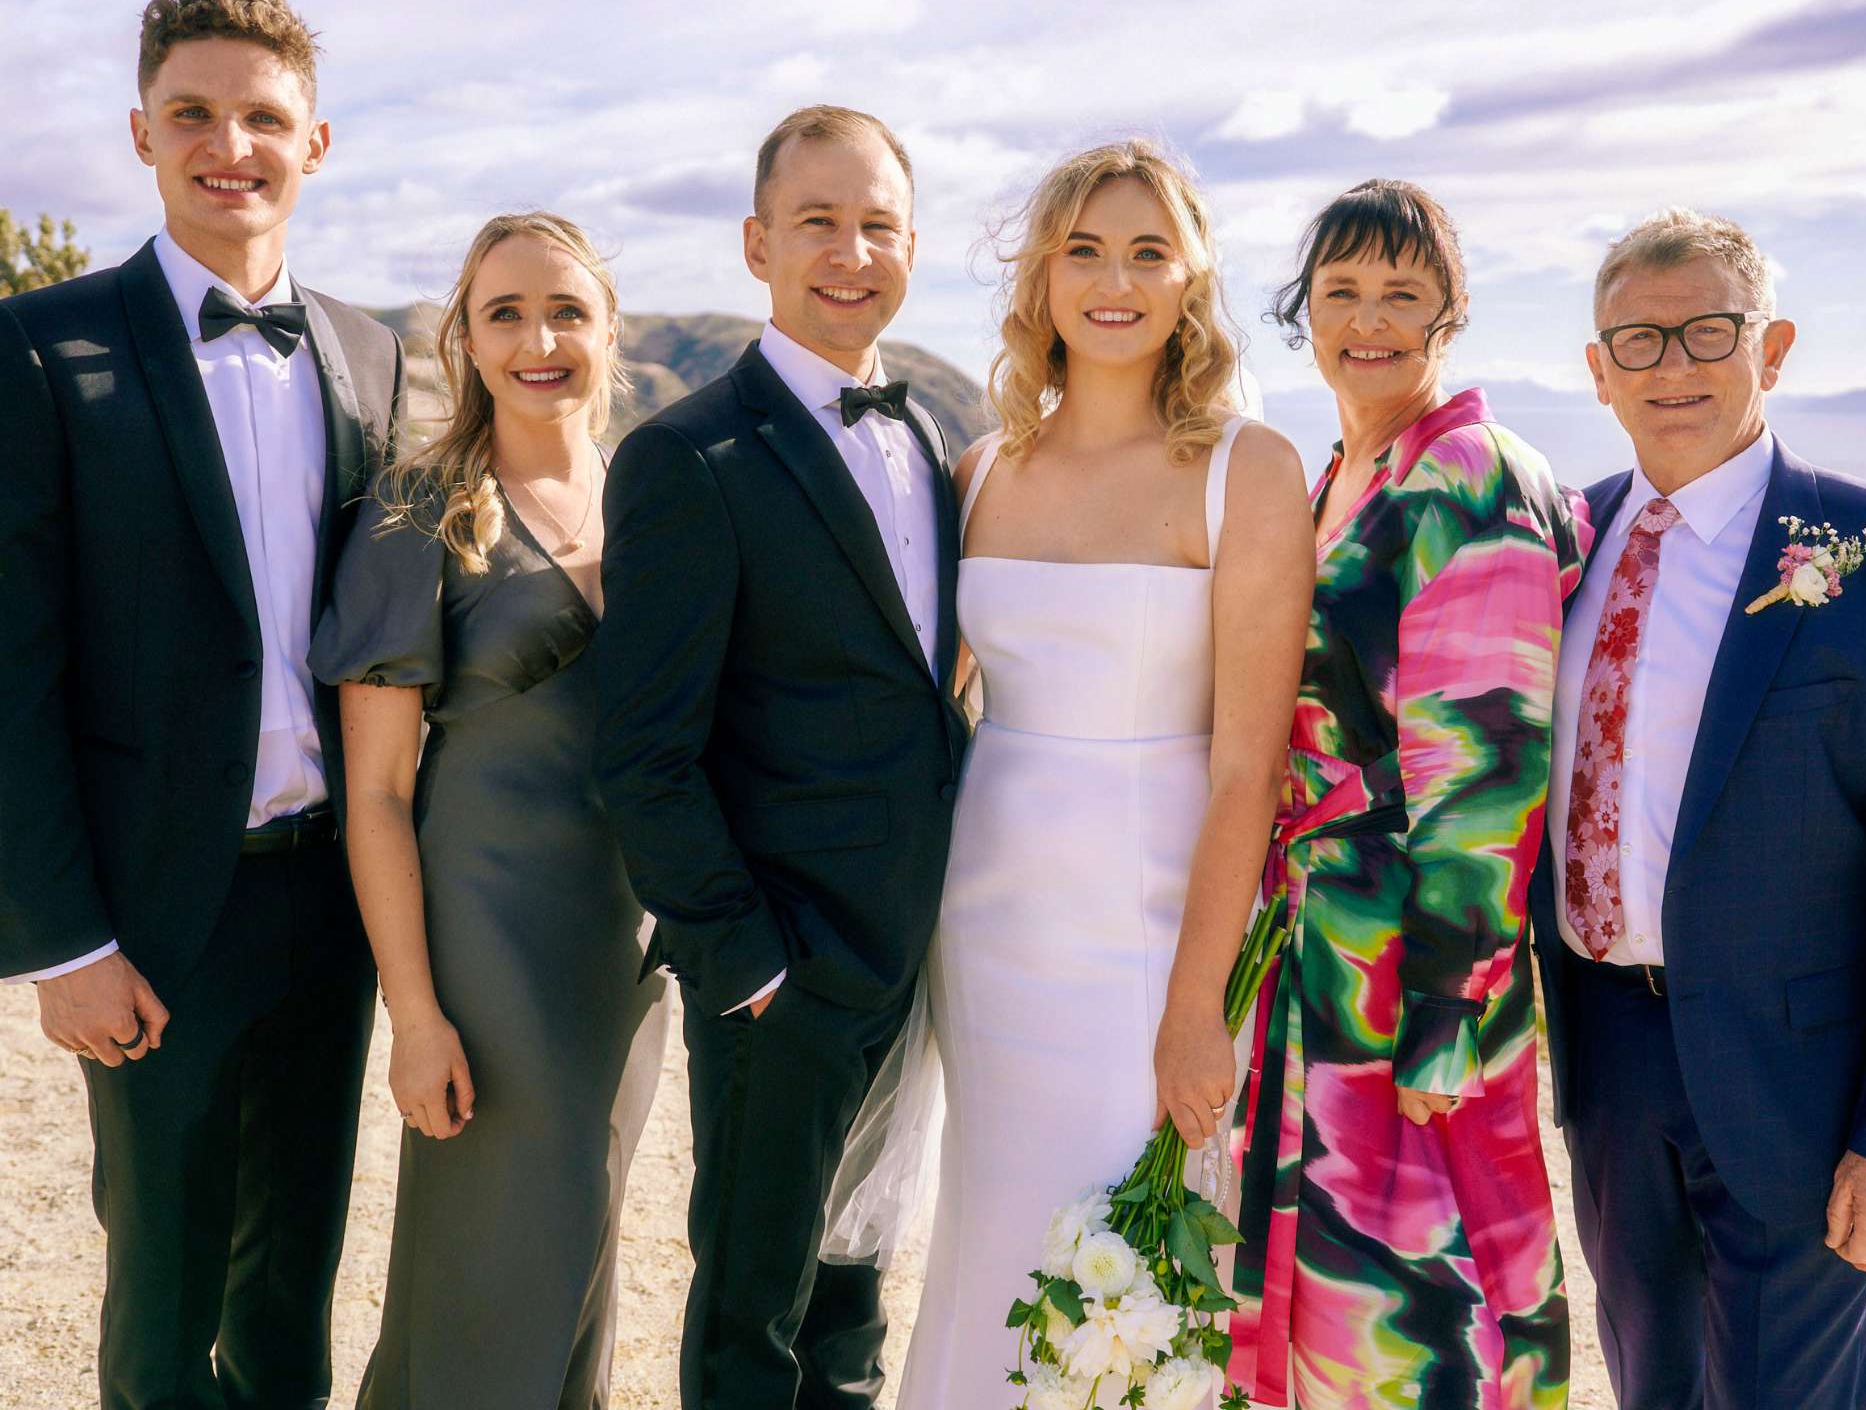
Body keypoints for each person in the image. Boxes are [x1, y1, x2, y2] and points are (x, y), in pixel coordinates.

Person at [0, 0, 406, 1407]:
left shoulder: (371, 351)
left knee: (295, 1277)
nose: (229, 144)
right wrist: (60, 944)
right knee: (162, 1289)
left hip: (332, 897)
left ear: (318, 141)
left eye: (263, 117)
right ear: (141, 133)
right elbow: (11, 674)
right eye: (193, 114)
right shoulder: (43, 350)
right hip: (158, 909)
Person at [895, 139, 1314, 1407]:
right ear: (1041, 277)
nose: (1114, 280)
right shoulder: (977, 474)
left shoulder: (1252, 470)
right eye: (1083, 249)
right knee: (998, 1225)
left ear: (1192, 282)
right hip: (988, 917)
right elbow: (916, 716)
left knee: (1138, 1263)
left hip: (1151, 931)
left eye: (1148, 252)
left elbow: (1249, 764)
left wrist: (1195, 1010)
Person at [593, 105, 969, 1410]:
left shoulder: (928, 441)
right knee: (752, 1324)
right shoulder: (687, 458)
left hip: (918, 959)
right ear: (758, 242)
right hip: (782, 973)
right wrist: (746, 963)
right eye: (818, 221)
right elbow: (641, 753)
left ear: (912, 245)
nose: (849, 250)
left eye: (877, 224)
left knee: (857, 1306)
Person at [1531, 208, 1866, 1409]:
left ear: (1775, 344)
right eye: (1637, 342)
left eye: (1709, 330)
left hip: (1803, 1083)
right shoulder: (1558, 541)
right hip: (1608, 1063)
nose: (1676, 366)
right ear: (1596, 373)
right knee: (1651, 1384)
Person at [308, 212, 672, 1408]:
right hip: (486, 943)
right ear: (464, 336)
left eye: (566, 308)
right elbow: (374, 793)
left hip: (625, 949)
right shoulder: (418, 513)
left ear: (608, 327)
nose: (538, 338)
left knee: (582, 1255)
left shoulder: (660, 503)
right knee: (492, 1261)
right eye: (504, 312)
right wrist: (414, 1015)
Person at [1230, 181, 1583, 1408]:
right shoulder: (1346, 467)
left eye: (1402, 293)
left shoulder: (1470, 474)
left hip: (1418, 967)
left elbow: (1489, 774)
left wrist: (1447, 1009)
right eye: (1341, 292)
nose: (1367, 320)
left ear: (1453, 311)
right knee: (1337, 1294)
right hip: (1325, 939)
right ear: (1306, 310)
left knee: (1428, 1308)